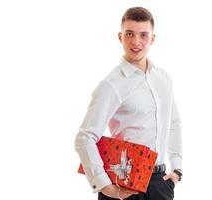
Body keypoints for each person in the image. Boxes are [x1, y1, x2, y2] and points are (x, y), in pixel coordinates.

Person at [75, 6, 182, 200]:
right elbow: (85, 137)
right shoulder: (112, 84)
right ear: (120, 37)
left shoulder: (163, 78)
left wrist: (177, 169)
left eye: (143, 35)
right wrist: (105, 186)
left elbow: (173, 123)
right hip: (124, 186)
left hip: (160, 182)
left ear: (152, 39)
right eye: (129, 34)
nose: (136, 42)